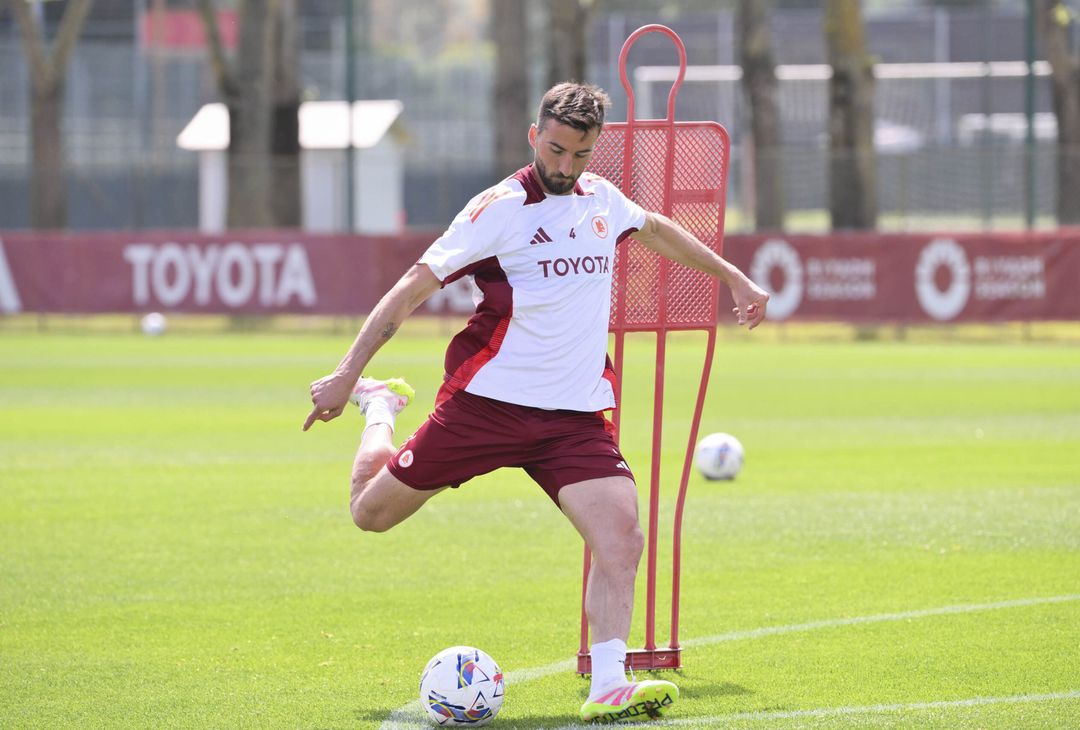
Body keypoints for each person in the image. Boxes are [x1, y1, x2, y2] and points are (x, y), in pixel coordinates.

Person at [303, 82, 769, 723]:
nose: (565, 166)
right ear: (534, 136)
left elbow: (656, 229)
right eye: (554, 150)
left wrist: (734, 278)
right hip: (485, 407)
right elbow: (412, 287)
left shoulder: (601, 200)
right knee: (370, 514)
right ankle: (379, 409)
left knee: (622, 538)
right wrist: (346, 373)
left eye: (579, 154)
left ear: (594, 148)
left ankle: (608, 682)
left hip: (574, 419)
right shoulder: (496, 209)